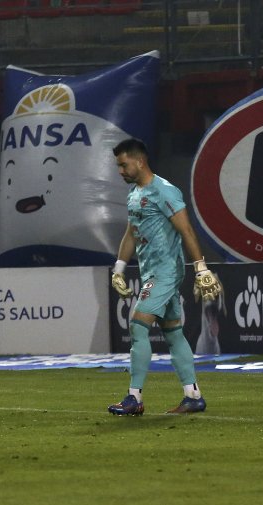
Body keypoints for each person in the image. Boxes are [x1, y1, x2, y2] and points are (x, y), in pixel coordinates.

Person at [107, 138, 221, 415]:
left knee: (138, 326)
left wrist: (201, 268)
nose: (120, 171)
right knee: (173, 333)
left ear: (139, 161)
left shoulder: (165, 191)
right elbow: (131, 233)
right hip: (150, 271)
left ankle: (134, 397)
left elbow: (187, 230)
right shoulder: (135, 193)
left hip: (166, 270)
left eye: (123, 165)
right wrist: (119, 269)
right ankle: (193, 396)